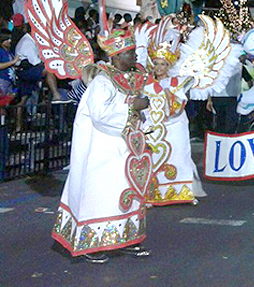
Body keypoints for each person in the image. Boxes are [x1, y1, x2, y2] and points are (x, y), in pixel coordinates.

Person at [51, 29, 152, 263]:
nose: (134, 57)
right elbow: (100, 114)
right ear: (115, 56)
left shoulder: (127, 78)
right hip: (102, 150)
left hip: (125, 149)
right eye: (129, 53)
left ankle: (125, 238)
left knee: (124, 193)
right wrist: (132, 106)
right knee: (101, 194)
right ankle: (91, 243)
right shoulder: (102, 81)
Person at [143, 35, 206, 206]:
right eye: (156, 64)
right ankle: (153, 194)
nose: (159, 68)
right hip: (153, 127)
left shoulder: (176, 82)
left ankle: (181, 192)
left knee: (179, 156)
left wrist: (169, 96)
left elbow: (178, 105)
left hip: (175, 126)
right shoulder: (146, 83)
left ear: (169, 66)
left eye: (163, 64)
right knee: (153, 158)